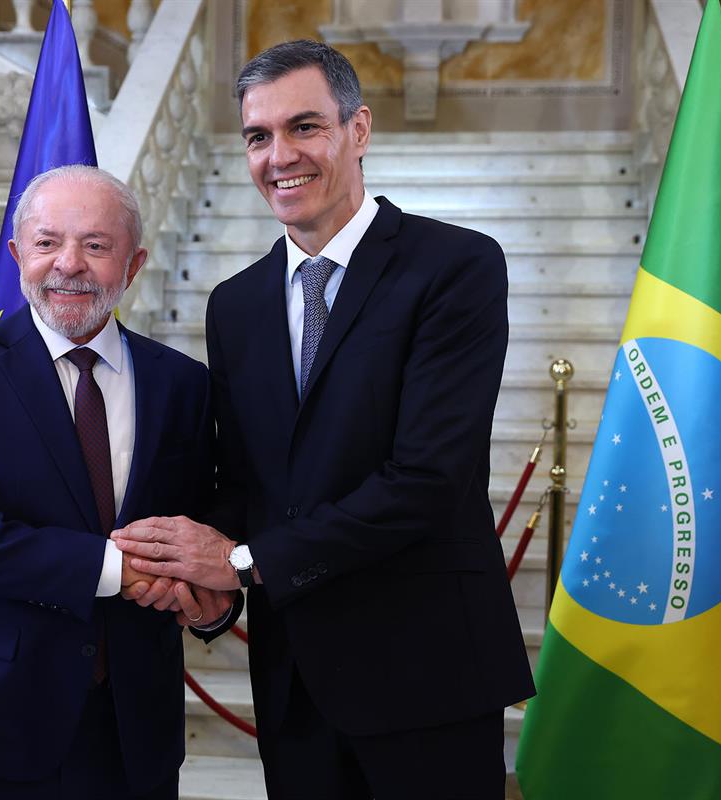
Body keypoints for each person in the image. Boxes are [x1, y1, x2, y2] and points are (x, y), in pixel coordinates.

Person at [112, 40, 535, 798]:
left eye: (305, 127)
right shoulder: (234, 305)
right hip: (295, 677)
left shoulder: (456, 267)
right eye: (258, 136)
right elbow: (251, 482)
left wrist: (241, 564)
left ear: (359, 130)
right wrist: (194, 575)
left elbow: (427, 479)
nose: (280, 156)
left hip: (426, 673)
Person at [0, 165, 240, 800]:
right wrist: (118, 570)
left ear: (134, 263)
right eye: (47, 243)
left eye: (96, 246)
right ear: (18, 255)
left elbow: (201, 527)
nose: (68, 264)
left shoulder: (184, 384)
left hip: (134, 728)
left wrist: (212, 599)